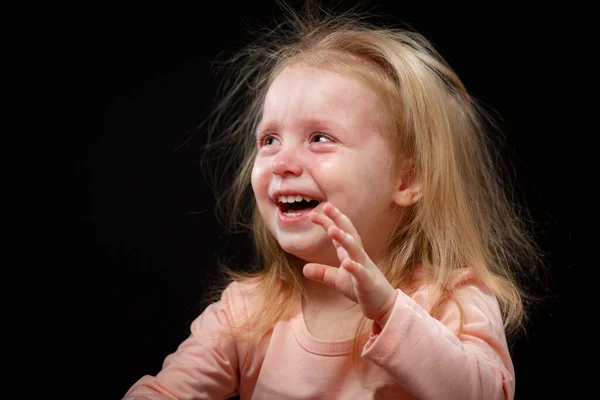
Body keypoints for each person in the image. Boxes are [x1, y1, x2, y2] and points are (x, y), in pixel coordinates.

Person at [123, 1, 542, 399]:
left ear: (407, 179)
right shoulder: (247, 312)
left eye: (320, 138)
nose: (282, 162)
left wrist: (388, 310)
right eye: (269, 140)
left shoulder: (452, 299)